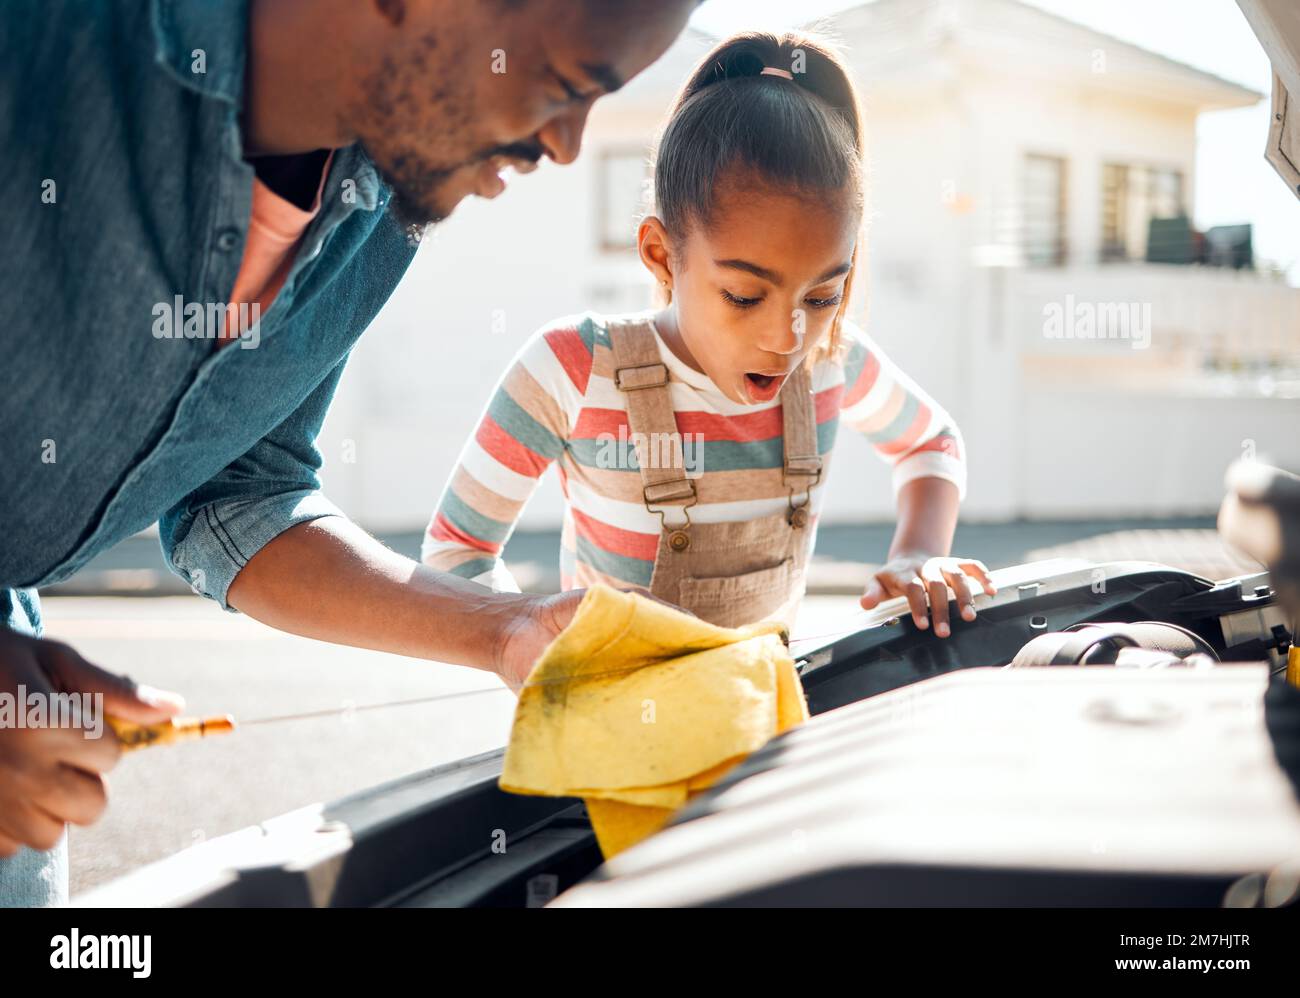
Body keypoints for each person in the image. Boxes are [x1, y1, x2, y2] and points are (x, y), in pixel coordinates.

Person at [0, 0, 698, 907]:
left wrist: (508, 631)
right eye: (567, 87)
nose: (566, 146)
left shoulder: (385, 205)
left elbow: (240, 494)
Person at [422, 30, 997, 634]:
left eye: (823, 295)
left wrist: (919, 553)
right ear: (661, 254)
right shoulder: (572, 367)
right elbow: (456, 551)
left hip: (769, 722)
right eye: (745, 295)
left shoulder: (834, 360)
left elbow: (932, 441)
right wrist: (528, 634)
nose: (787, 337)